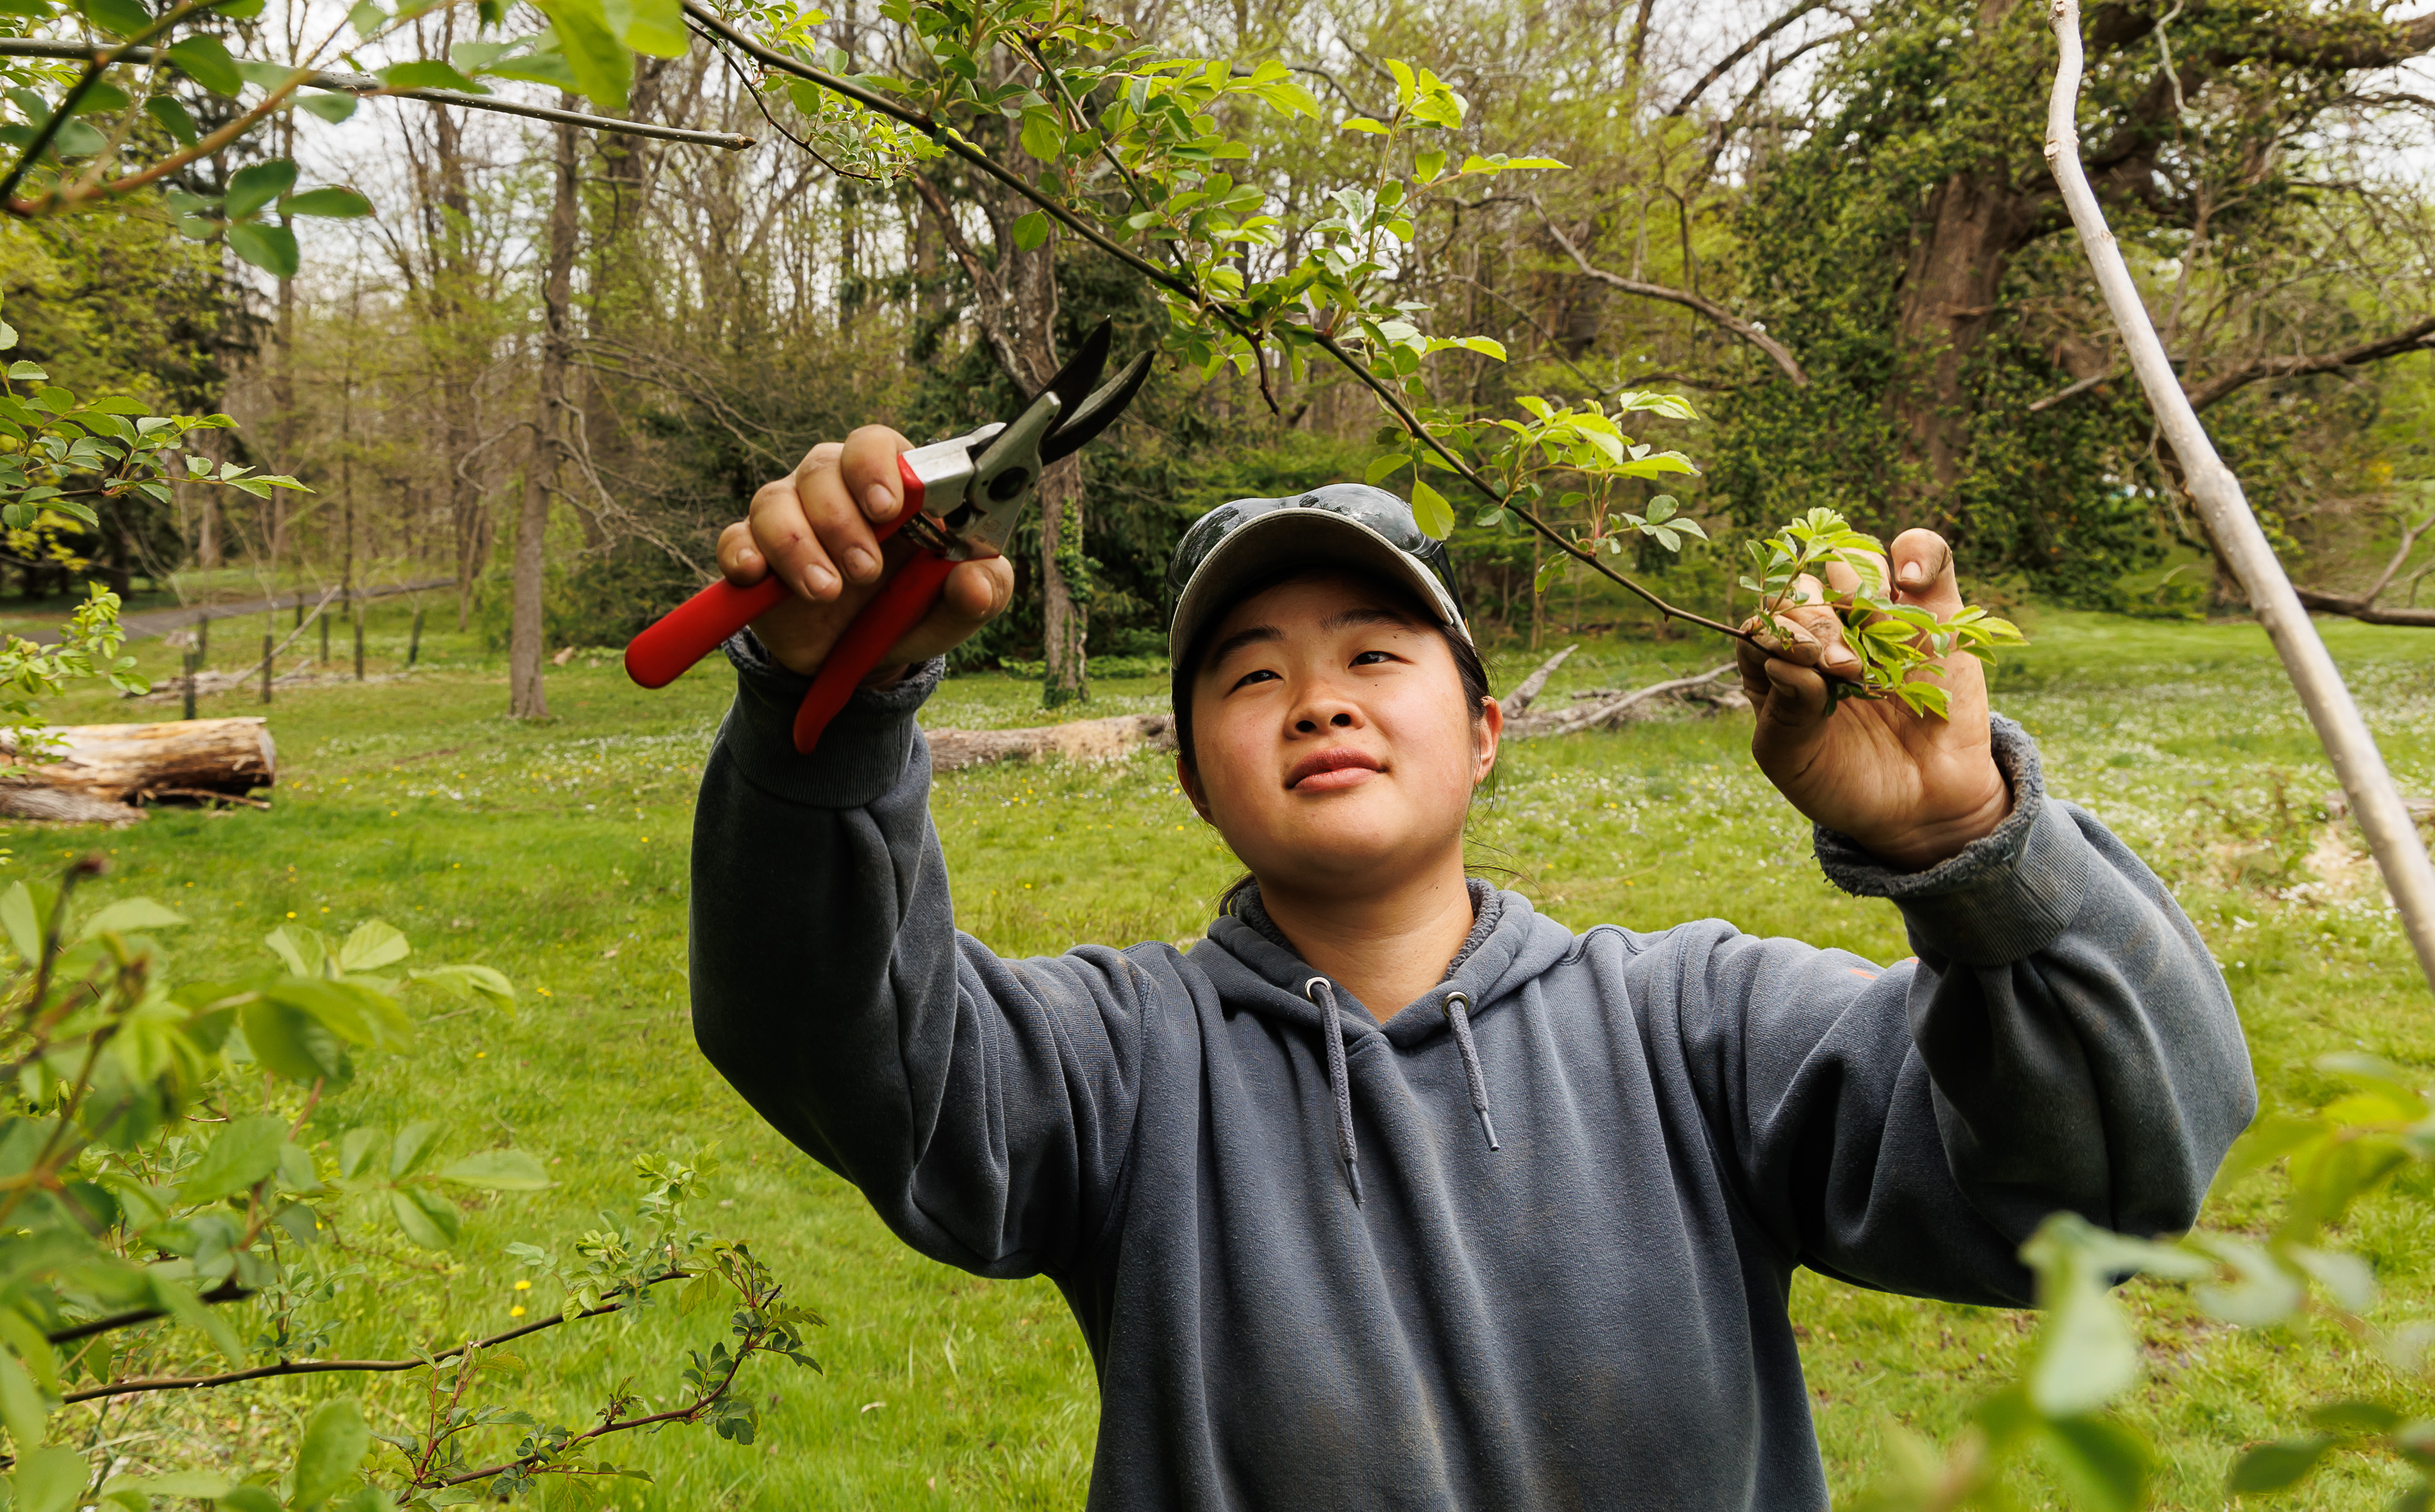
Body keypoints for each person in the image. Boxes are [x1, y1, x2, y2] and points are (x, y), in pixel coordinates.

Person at [687, 430, 2254, 1511]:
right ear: (1189, 774)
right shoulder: (1119, 1065)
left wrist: (1972, 844)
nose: (1317, 699)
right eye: (1251, 675)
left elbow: (2107, 1185)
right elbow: (829, 1030)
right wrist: (817, 717)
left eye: (1376, 654)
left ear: (1487, 730)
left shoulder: (1696, 1030)